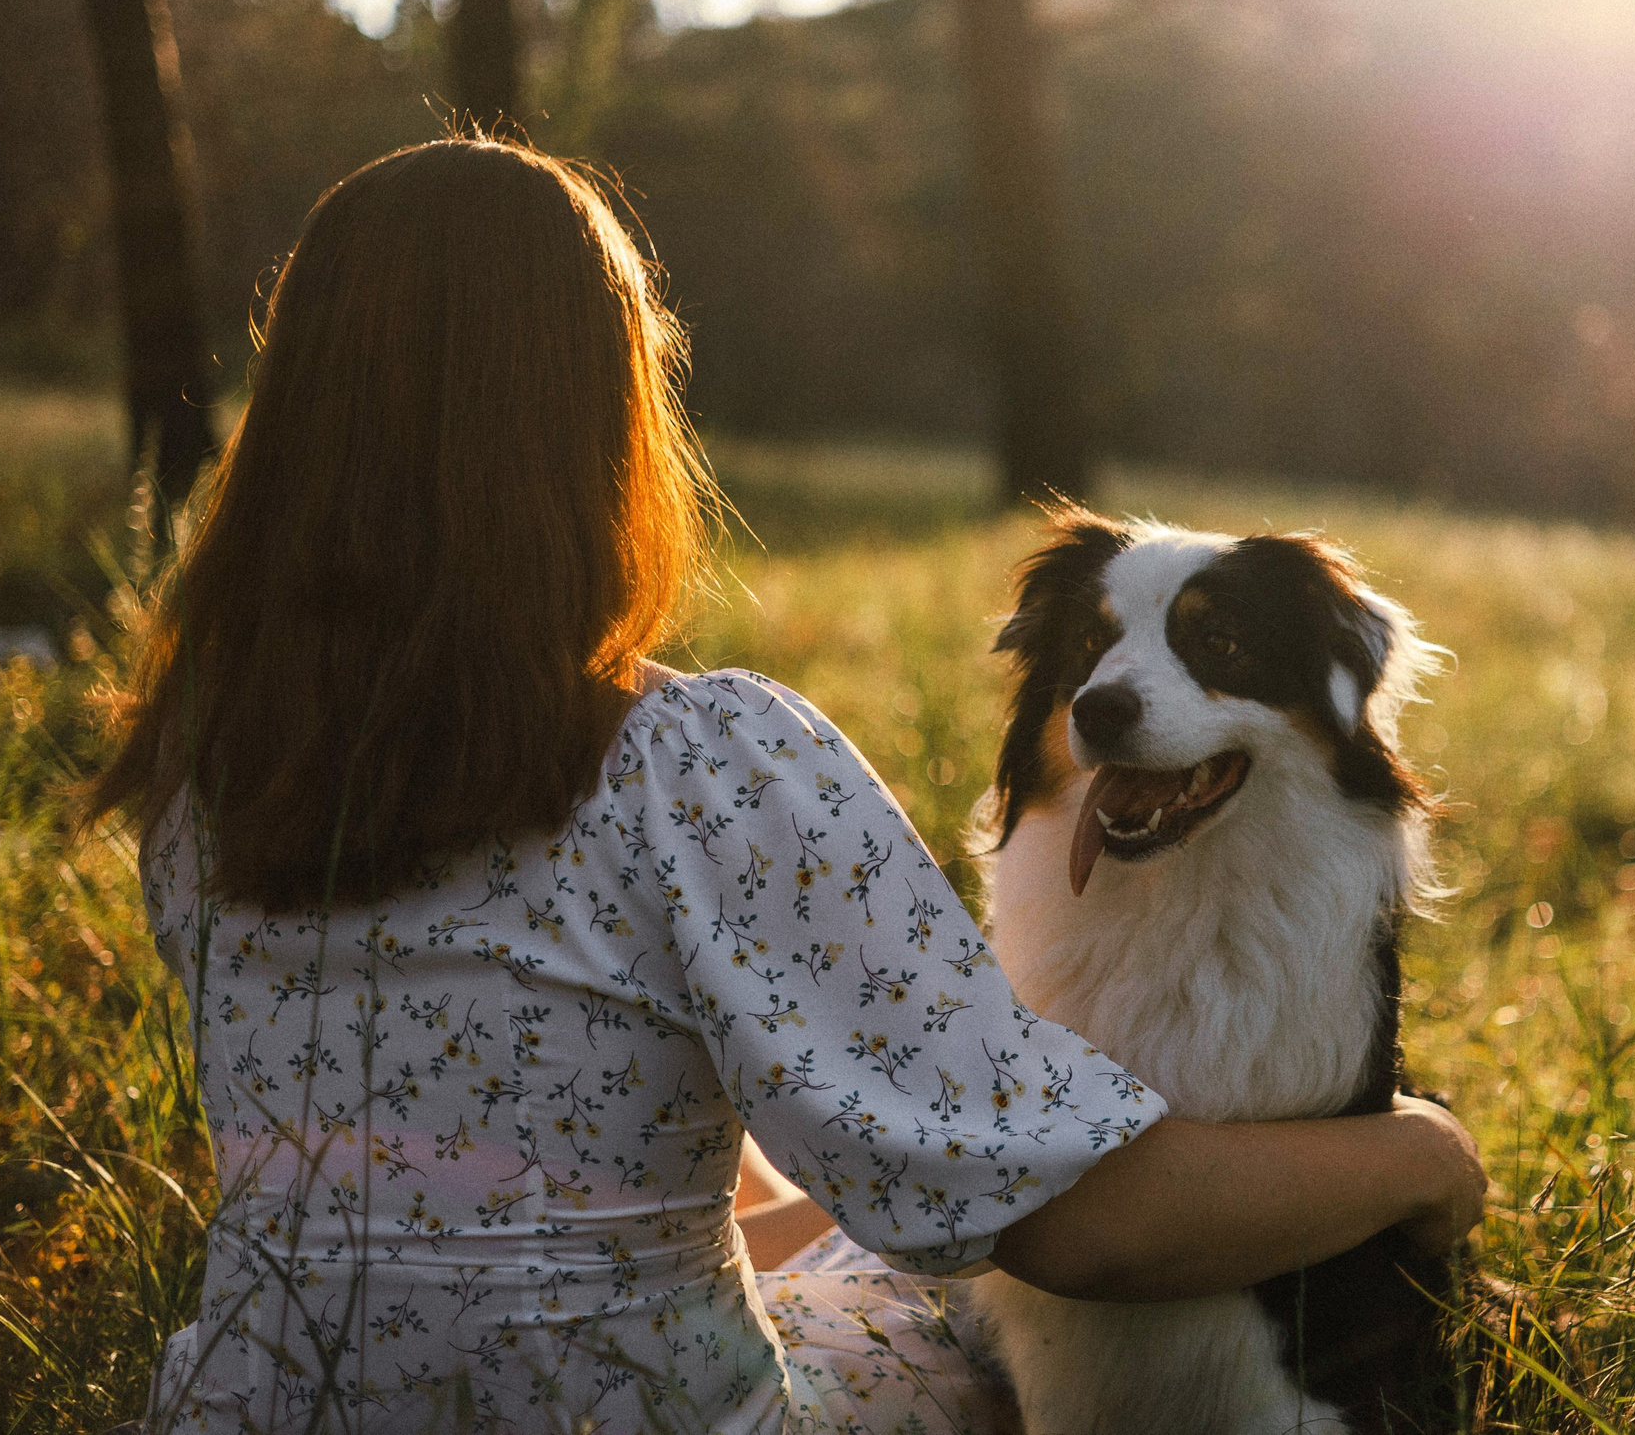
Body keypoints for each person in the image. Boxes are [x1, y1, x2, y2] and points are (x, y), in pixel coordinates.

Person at [82, 137, 1485, 1435]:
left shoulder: (203, 772)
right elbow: (1084, 1225)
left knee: (848, 1234)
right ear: (603, 418)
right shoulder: (699, 762)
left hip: (256, 1407)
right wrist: (1420, 1153)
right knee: (943, 1318)